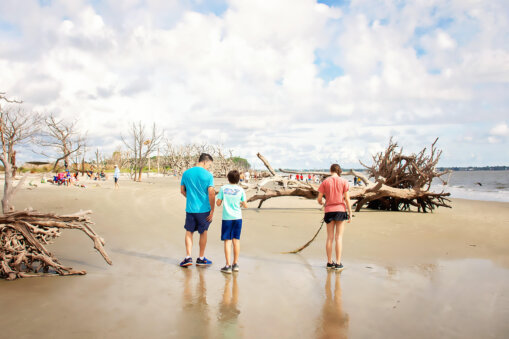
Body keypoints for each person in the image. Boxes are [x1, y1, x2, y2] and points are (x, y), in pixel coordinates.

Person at [179, 153, 215, 267]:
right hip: (204, 210)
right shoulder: (208, 175)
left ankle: (188, 257)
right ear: (205, 161)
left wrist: (189, 197)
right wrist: (212, 210)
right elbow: (211, 193)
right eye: (209, 164)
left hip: (190, 209)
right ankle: (201, 258)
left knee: (189, 232)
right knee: (203, 233)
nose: (209, 167)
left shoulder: (186, 173)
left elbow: (182, 190)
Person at [317, 164, 352, 271]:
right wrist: (350, 212)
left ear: (330, 170)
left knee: (330, 237)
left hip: (329, 210)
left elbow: (319, 199)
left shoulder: (325, 181)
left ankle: (329, 262)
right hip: (340, 210)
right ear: (339, 171)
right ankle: (338, 263)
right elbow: (347, 199)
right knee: (338, 237)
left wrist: (323, 202)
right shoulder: (344, 181)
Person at [216, 170, 247, 273]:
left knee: (227, 241)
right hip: (238, 218)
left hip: (227, 218)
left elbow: (218, 203)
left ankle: (228, 265)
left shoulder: (223, 188)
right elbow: (245, 205)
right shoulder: (241, 190)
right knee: (236, 241)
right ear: (238, 179)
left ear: (228, 178)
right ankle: (235, 264)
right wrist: (241, 204)